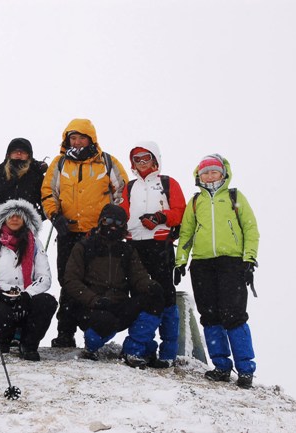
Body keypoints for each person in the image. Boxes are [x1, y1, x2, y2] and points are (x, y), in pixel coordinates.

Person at [41, 118, 129, 348]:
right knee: (68, 281)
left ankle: (92, 332)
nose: (77, 142)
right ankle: (65, 332)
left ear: (91, 139)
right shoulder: (60, 164)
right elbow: (49, 192)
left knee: (96, 282)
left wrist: (112, 224)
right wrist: (54, 216)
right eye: (73, 138)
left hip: (99, 235)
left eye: (82, 137)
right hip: (67, 232)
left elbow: (123, 193)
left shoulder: (107, 162)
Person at [174, 154, 259, 389]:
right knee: (210, 316)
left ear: (223, 173)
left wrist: (249, 259)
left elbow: (251, 229)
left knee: (234, 316)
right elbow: (186, 234)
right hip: (202, 264)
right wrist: (180, 261)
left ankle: (245, 369)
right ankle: (221, 366)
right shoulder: (195, 202)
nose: (210, 176)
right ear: (198, 176)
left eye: (214, 171)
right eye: (205, 172)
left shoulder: (234, 197)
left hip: (232, 263)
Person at [63, 204, 164, 367]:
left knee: (154, 298)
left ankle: (134, 350)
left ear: (124, 226)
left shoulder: (127, 250)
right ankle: (92, 346)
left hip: (119, 304)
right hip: (91, 307)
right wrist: (94, 300)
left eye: (118, 223)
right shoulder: (84, 246)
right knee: (104, 321)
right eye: (108, 220)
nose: (112, 226)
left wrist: (150, 286)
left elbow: (139, 276)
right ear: (100, 221)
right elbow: (71, 280)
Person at [120, 142, 186, 368]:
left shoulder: (167, 183)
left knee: (166, 297)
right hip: (135, 246)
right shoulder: (129, 187)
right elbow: (123, 213)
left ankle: (168, 352)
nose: (141, 162)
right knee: (140, 296)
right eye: (136, 159)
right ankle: (142, 349)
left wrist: (160, 217)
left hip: (160, 246)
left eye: (145, 158)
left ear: (155, 159)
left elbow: (180, 212)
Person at [0, 199, 57, 361]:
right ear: (3, 218)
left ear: (25, 219)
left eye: (19, 216)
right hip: (1, 297)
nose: (14, 219)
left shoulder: (35, 244)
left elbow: (44, 277)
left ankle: (28, 344)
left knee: (47, 302)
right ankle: (3, 340)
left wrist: (27, 294)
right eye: (10, 216)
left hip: (27, 296)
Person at [0, 138, 47, 218]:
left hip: (28, 225)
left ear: (28, 155)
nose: (19, 153)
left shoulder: (36, 177)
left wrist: (35, 218)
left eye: (23, 151)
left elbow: (46, 201)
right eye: (15, 151)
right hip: (3, 224)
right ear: (9, 154)